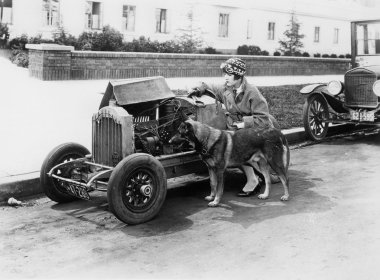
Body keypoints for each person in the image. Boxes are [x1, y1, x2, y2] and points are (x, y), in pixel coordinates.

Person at [187, 57, 280, 197]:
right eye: (224, 74)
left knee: (235, 145)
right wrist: (198, 87)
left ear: (239, 76)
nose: (225, 77)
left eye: (229, 75)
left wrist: (243, 123)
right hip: (236, 130)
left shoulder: (252, 92)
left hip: (256, 131)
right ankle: (254, 174)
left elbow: (263, 120)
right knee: (228, 143)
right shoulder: (226, 88)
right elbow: (208, 85)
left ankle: (253, 180)